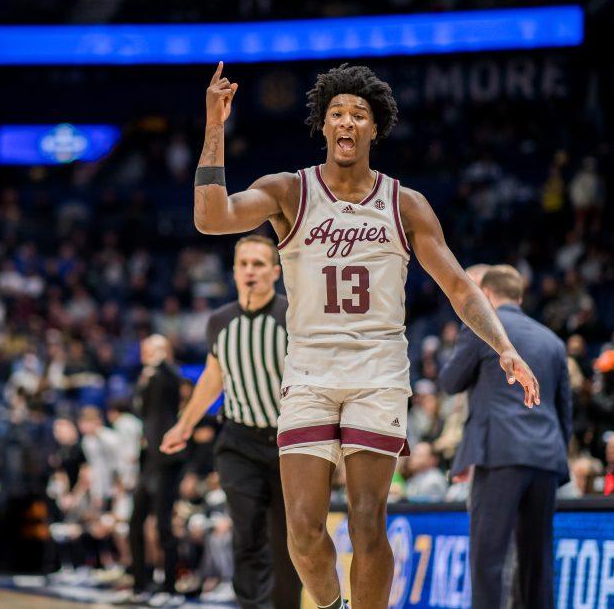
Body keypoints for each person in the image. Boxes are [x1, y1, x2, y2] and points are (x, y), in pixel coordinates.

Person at [192, 62, 539, 608]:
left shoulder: (405, 203)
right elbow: (212, 219)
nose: (347, 122)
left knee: (367, 521)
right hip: (308, 369)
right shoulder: (289, 190)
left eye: (359, 114)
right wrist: (215, 126)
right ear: (323, 126)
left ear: (376, 128)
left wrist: (505, 346)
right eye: (337, 113)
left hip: (378, 371)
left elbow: (459, 286)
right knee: (303, 531)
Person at [160, 234, 301, 609]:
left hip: (290, 443)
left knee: (288, 539)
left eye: (258, 264)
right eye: (244, 264)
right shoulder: (220, 321)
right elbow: (212, 377)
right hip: (238, 441)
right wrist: (183, 426)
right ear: (235, 271)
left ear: (275, 271)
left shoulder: (293, 315)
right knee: (247, 531)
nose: (250, 271)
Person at [438, 264, 571, 608]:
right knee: (536, 561)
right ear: (519, 295)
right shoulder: (552, 340)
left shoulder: (483, 329)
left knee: (488, 558)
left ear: (486, 295)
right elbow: (564, 411)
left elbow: (450, 381)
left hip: (499, 454)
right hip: (546, 456)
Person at [127, 334, 187, 604]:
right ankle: (140, 584)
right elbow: (140, 409)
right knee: (135, 522)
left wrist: (160, 364)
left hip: (166, 459)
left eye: (148, 349)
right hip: (149, 460)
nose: (144, 354)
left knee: (163, 525)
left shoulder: (167, 374)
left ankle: (170, 589)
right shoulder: (148, 376)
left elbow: (173, 383)